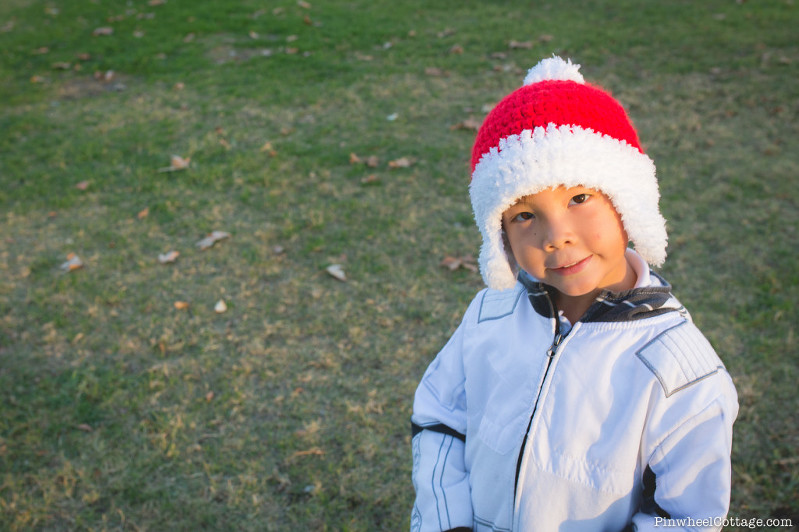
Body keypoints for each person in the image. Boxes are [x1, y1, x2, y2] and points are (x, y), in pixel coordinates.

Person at [410, 56, 738, 531]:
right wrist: (448, 522)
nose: (556, 236)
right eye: (524, 215)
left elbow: (687, 519)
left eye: (579, 198)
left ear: (628, 202)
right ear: (498, 234)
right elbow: (440, 417)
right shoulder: (488, 315)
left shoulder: (679, 372)